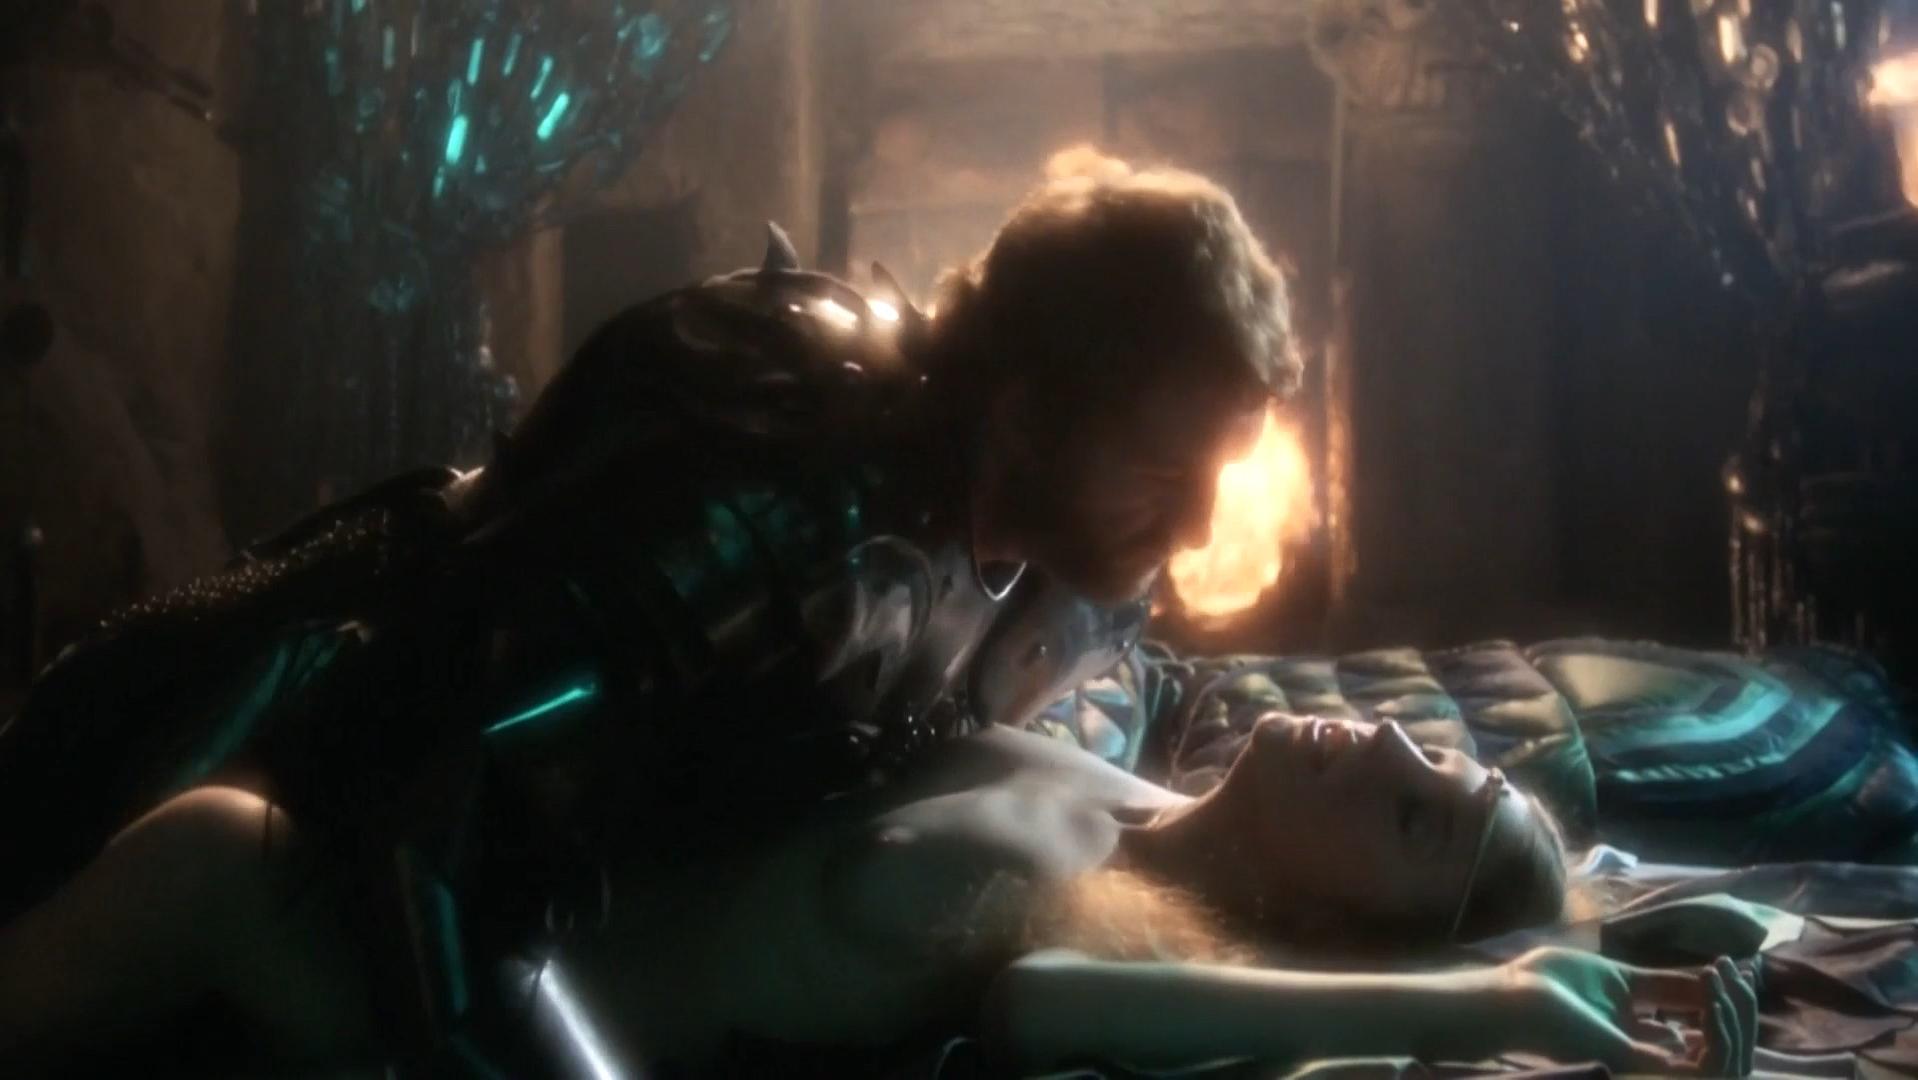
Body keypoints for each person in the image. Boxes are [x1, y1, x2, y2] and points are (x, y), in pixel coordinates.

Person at [0, 149, 1296, 1072]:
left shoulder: (1059, 557)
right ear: (1027, 413)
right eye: (1162, 471)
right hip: (265, 746)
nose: (1193, 526)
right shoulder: (795, 475)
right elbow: (426, 774)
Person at [0, 713, 1758, 1076]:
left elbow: (1044, 1009)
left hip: (462, 1019)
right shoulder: (1114, 771)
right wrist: (1636, 920)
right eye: (1425, 752)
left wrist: (1485, 1003)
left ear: (1343, 930)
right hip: (483, 872)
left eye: (1408, 819)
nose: (1378, 742)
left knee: (215, 853)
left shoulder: (1148, 937)